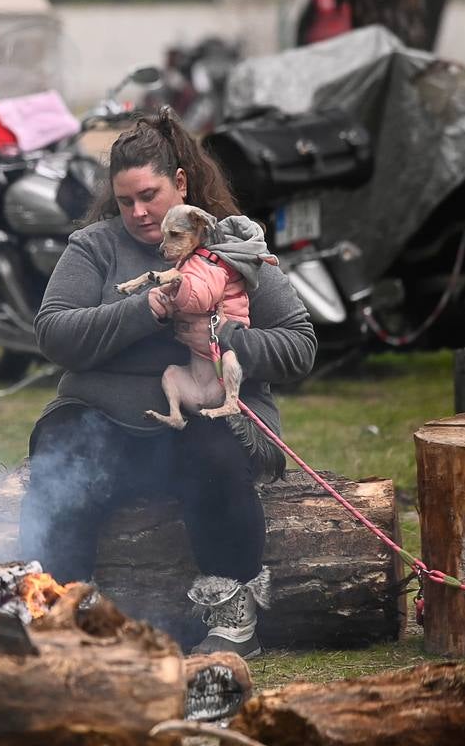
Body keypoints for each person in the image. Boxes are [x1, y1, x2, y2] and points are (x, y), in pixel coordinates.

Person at [18, 108, 316, 658]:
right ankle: (64, 610)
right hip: (104, 418)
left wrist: (223, 336)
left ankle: (233, 615)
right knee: (65, 450)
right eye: (126, 200)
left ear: (180, 182)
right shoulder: (95, 247)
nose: (139, 212)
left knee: (214, 449)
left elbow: (299, 345)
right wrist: (145, 308)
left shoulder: (233, 245)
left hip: (204, 414)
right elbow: (54, 334)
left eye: (150, 196)